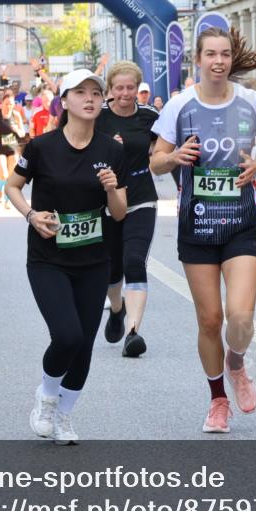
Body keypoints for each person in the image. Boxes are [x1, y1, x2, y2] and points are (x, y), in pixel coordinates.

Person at [150, 26, 256, 434]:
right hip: (197, 225)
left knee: (240, 317)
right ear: (198, 59)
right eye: (211, 54)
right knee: (209, 320)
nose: (219, 61)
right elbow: (155, 160)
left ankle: (236, 363)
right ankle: (218, 400)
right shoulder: (179, 105)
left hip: (240, 223)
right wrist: (175, 156)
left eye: (224, 54)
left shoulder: (251, 101)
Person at [5, 68, 128, 445]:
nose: (89, 99)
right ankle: (46, 397)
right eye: (80, 92)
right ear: (65, 101)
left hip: (94, 260)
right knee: (67, 335)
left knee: (85, 344)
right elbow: (12, 186)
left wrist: (112, 189)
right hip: (48, 258)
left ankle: (64, 415)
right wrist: (31, 214)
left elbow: (119, 213)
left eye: (96, 93)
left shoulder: (112, 150)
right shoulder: (42, 147)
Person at [94, 61, 161, 358]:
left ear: (138, 88)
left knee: (134, 260)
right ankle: (116, 309)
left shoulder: (150, 116)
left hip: (141, 196)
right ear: (110, 89)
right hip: (106, 198)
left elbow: (164, 150)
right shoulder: (98, 115)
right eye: (119, 88)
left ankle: (133, 332)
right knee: (112, 268)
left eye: (130, 88)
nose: (125, 93)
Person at [0, 88, 27, 209]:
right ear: (2, 103)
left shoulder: (16, 115)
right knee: (3, 174)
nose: (8, 106)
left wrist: (18, 130)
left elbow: (23, 133)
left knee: (11, 176)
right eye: (6, 104)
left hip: (13, 147)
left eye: (11, 104)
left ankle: (7, 200)